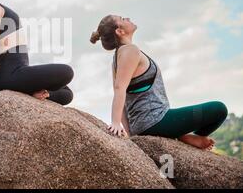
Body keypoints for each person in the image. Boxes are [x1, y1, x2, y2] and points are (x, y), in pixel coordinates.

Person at [90, 14, 228, 150]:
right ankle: (189, 137)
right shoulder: (130, 50)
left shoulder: (119, 56)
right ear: (120, 31)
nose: (127, 18)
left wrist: (131, 134)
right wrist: (115, 123)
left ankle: (183, 136)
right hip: (155, 120)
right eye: (122, 19)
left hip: (147, 123)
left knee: (215, 110)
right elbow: (120, 89)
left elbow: (122, 95)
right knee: (218, 109)